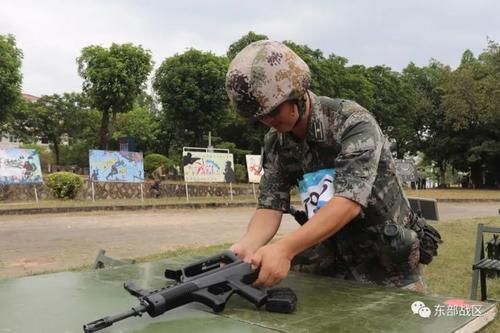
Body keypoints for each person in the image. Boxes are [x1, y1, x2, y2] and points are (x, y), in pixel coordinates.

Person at [225, 40, 441, 292]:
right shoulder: (276, 142)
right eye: (259, 117)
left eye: (273, 111)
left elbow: (347, 203)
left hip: (385, 264)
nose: (268, 121)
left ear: (296, 92)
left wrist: (284, 250)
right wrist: (248, 245)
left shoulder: (352, 122)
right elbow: (270, 205)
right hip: (330, 263)